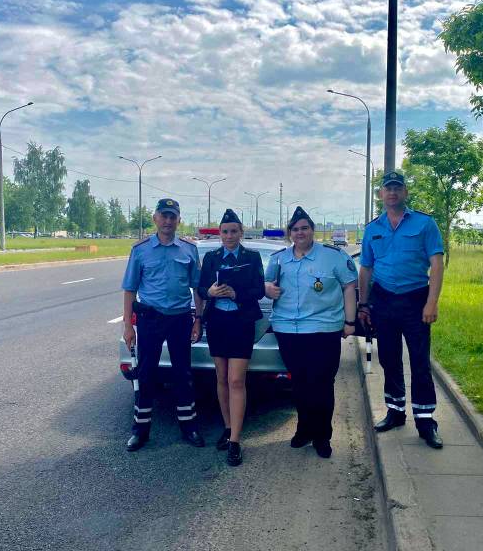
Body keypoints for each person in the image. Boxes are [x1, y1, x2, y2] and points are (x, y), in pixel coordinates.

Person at [357, 171, 445, 449]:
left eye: (397, 188)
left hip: (416, 300)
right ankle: (395, 412)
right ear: (380, 195)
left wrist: (432, 302)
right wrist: (363, 304)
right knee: (389, 358)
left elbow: (437, 263)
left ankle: (426, 420)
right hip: (383, 301)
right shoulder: (373, 229)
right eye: (387, 188)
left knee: (419, 361)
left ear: (405, 192)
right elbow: (366, 269)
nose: (392, 192)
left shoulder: (425, 223)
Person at [264, 206, 358, 459]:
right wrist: (267, 288)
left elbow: (350, 287)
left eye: (305, 228)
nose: (300, 232)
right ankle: (304, 429)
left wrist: (350, 321)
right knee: (300, 384)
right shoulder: (279, 259)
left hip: (323, 330)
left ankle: (322, 436)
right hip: (288, 330)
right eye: (295, 229)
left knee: (323, 383)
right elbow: (266, 285)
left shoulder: (333, 256)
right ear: (290, 233)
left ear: (312, 231)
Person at [121, 198, 205, 452]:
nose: (168, 221)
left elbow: (197, 289)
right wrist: (128, 326)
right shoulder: (141, 250)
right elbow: (129, 290)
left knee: (183, 374)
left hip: (180, 319)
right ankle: (140, 430)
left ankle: (189, 427)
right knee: (146, 375)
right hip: (151, 319)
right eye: (164, 216)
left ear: (179, 220)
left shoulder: (189, 250)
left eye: (173, 216)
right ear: (155, 218)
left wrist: (197, 319)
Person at [197, 209, 265, 467]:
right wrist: (211, 291)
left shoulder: (252, 256)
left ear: (241, 232)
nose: (228, 236)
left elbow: (259, 290)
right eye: (224, 231)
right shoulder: (212, 258)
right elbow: (201, 288)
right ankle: (227, 427)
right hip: (217, 322)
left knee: (237, 380)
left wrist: (237, 294)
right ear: (220, 233)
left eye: (233, 231)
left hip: (240, 322)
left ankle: (235, 440)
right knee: (222, 378)